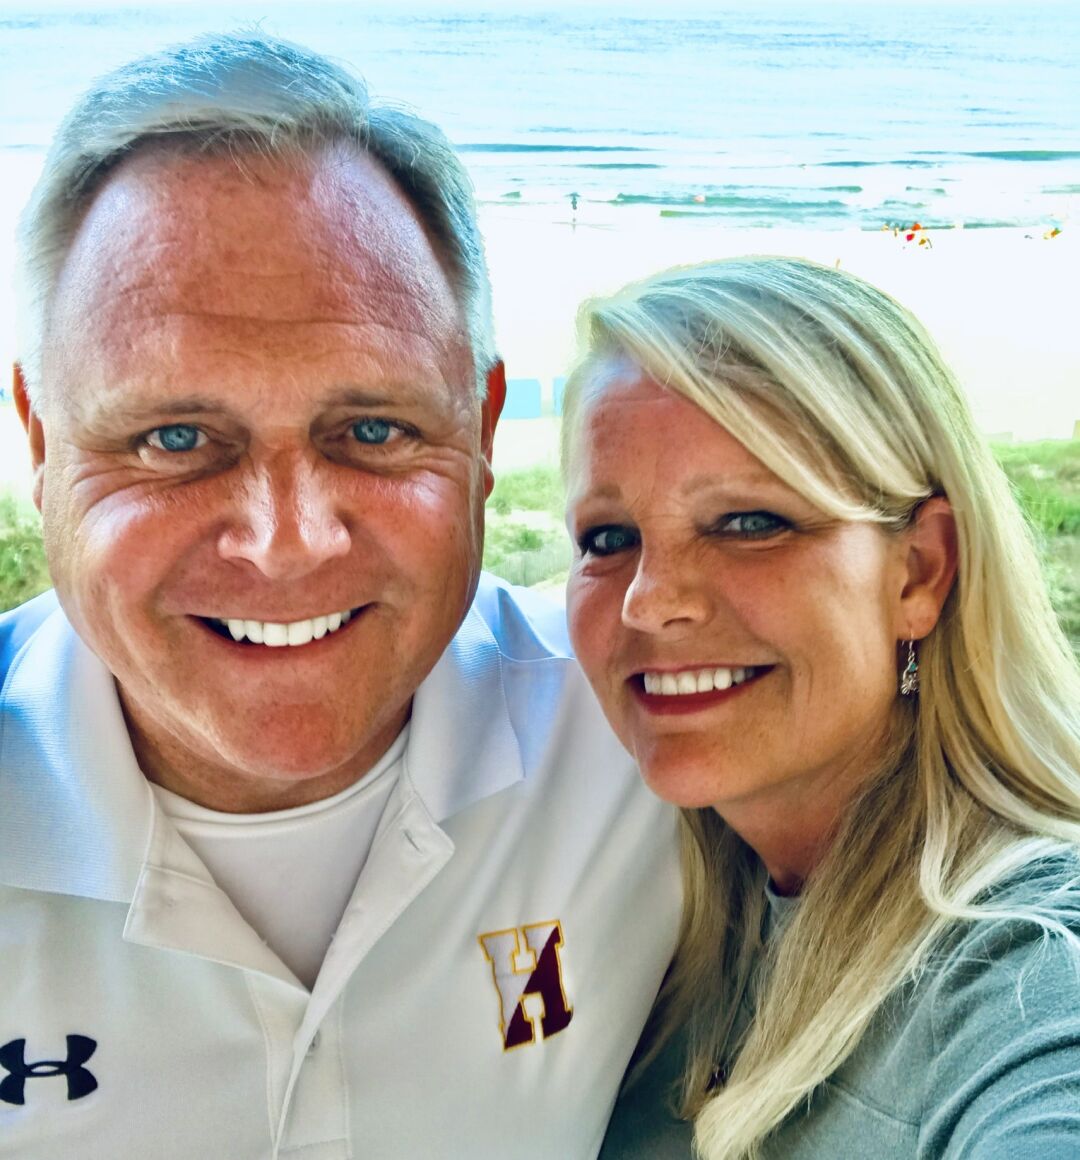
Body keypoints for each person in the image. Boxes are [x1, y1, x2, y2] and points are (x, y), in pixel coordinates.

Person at [0, 33, 681, 1158]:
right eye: (175, 438)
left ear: (482, 429)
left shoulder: (648, 727)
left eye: (372, 430)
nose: (286, 543)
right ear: (40, 440)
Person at [558, 256, 1080, 1158]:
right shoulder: (663, 899)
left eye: (749, 523)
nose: (649, 601)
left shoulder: (1025, 966)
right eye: (610, 537)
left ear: (919, 572)